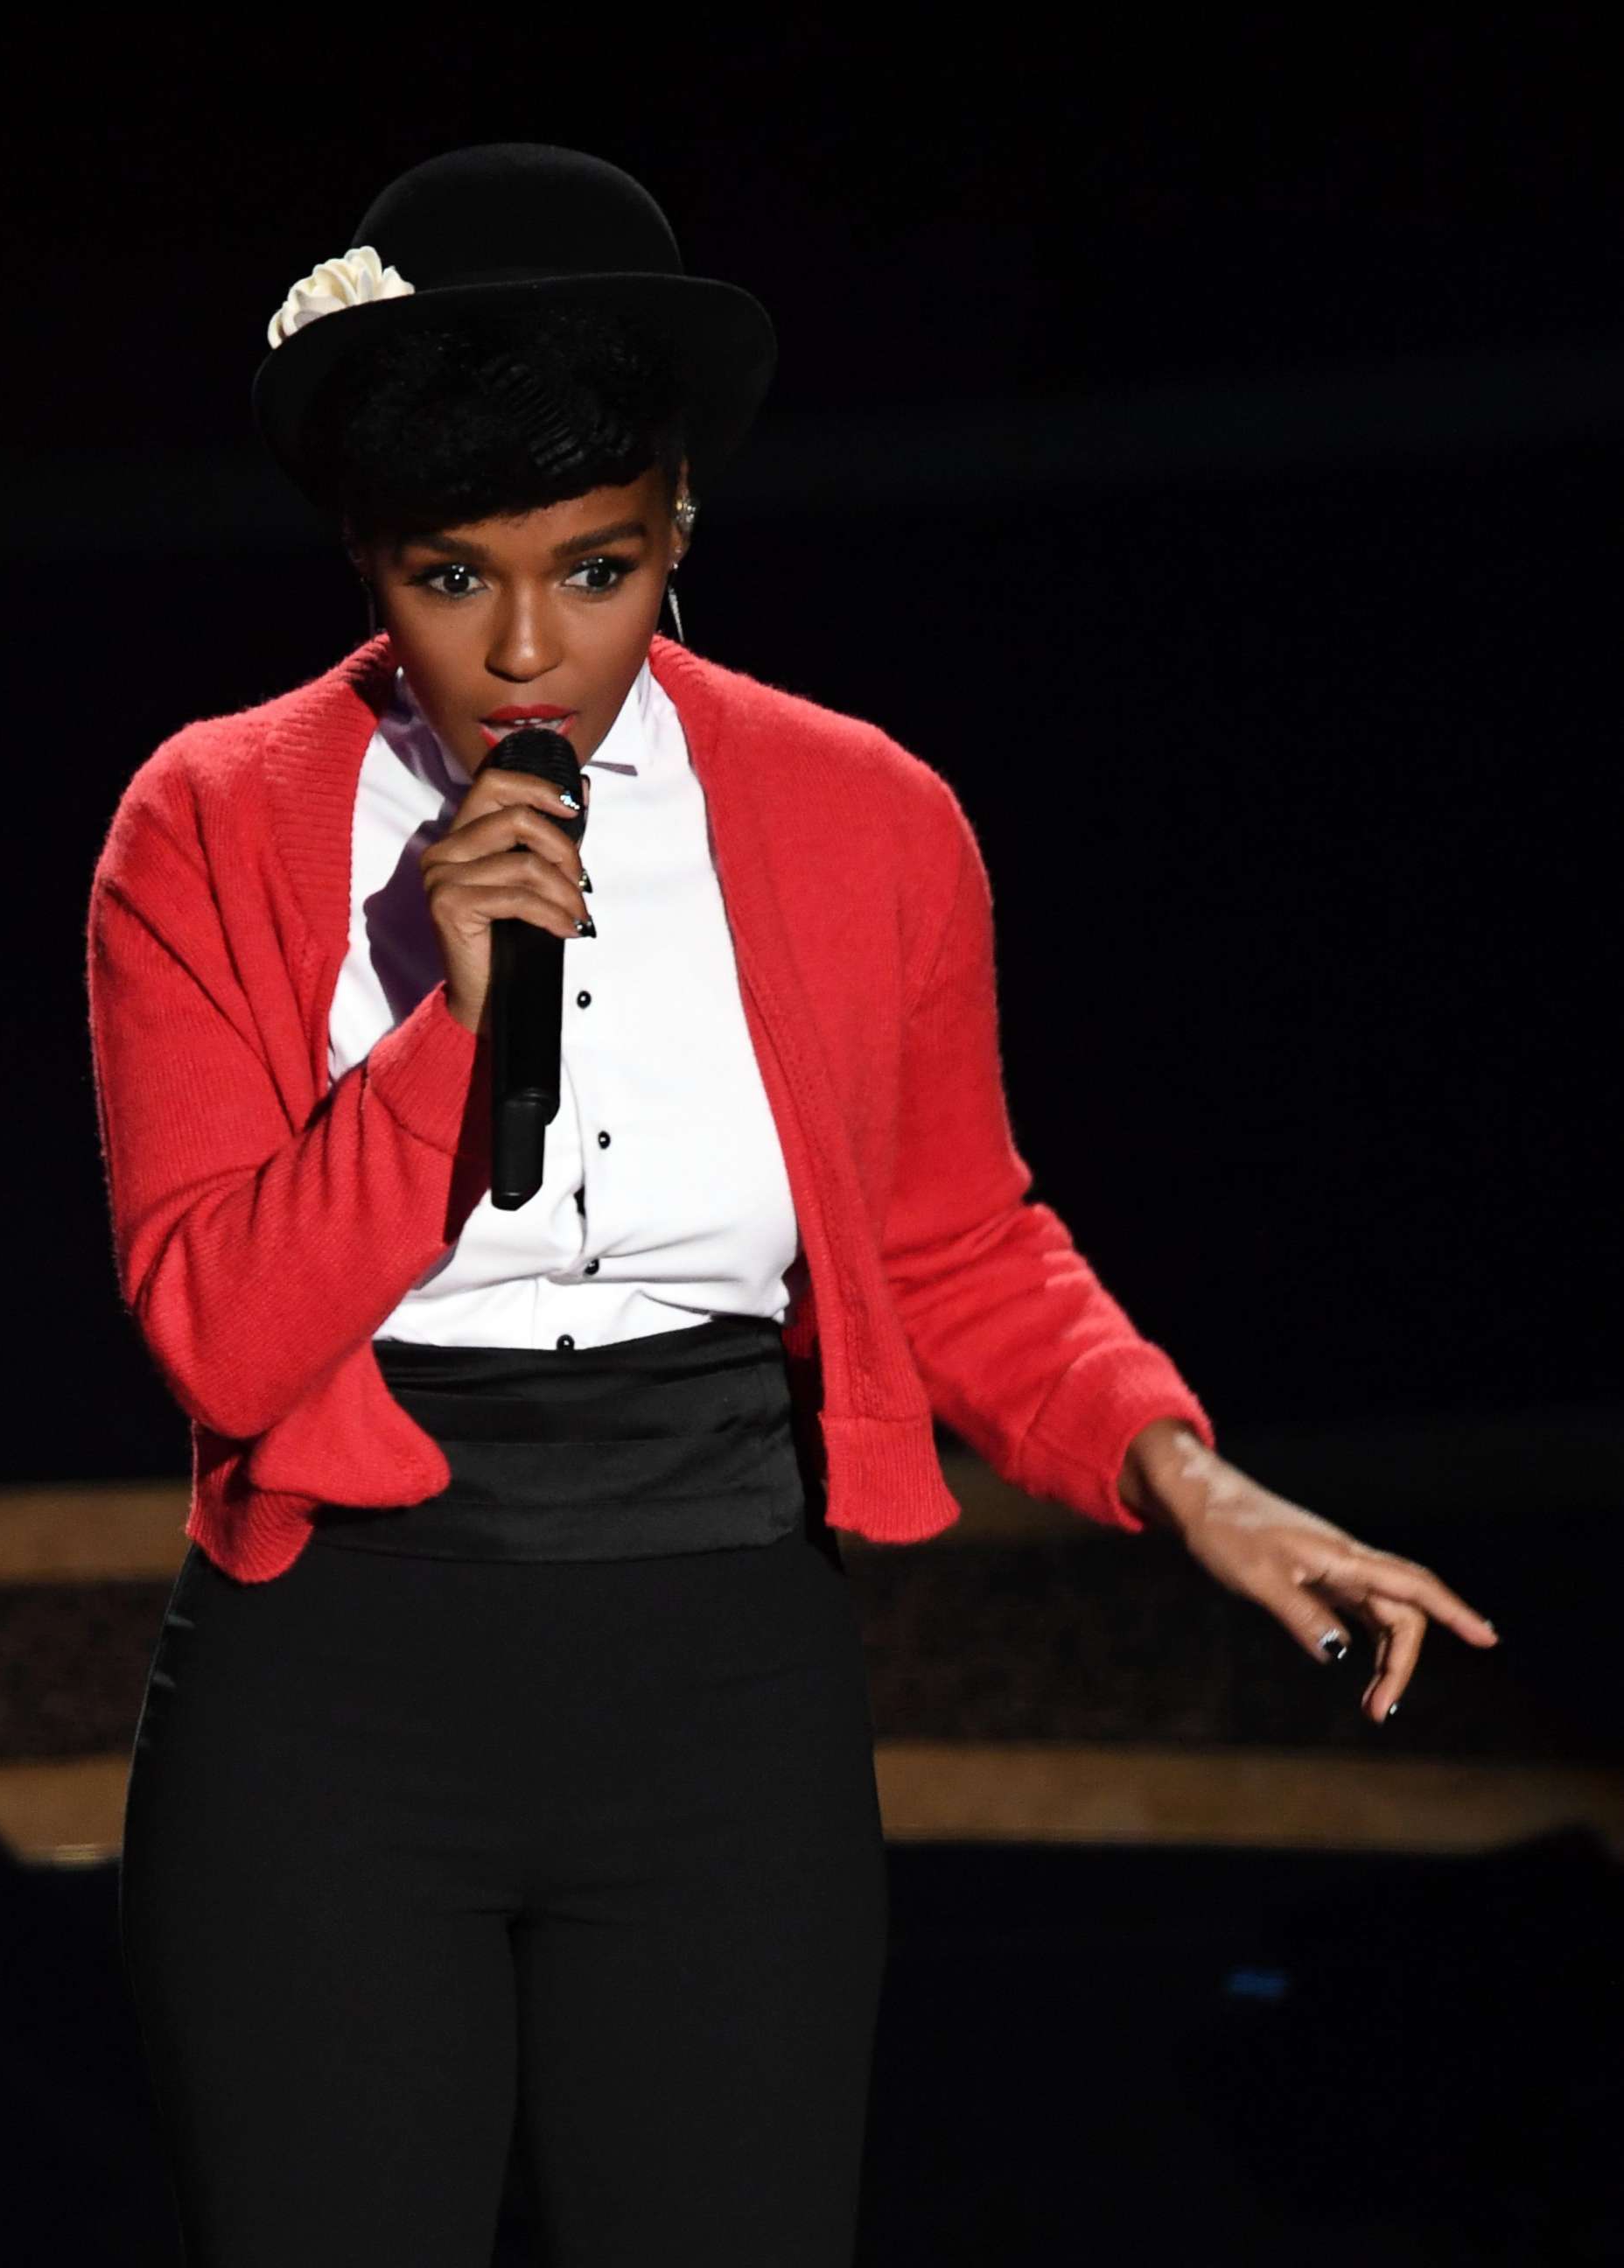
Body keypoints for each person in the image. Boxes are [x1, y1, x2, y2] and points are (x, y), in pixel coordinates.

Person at [86, 143, 1501, 2266]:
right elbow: (212, 1320)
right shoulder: (208, 820)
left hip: (717, 1683)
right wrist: (451, 1028)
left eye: (600, 566)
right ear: (369, 564)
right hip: (336, 1692)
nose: (532, 650)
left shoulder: (863, 816)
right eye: (453, 577)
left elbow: (955, 1242)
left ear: (679, 537)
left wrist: (1191, 1484)